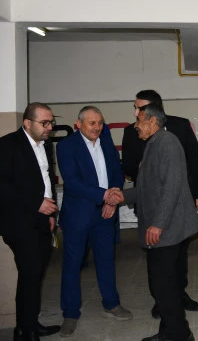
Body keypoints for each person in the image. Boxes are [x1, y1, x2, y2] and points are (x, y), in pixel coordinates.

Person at [107, 103, 198, 341]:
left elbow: (172, 186)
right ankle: (170, 331)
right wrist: (122, 196)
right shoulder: (154, 143)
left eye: (139, 120)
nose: (135, 126)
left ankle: (179, 334)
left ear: (152, 121)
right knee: (163, 284)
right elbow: (148, 187)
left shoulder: (166, 143)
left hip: (168, 228)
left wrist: (158, 224)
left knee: (164, 285)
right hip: (166, 226)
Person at [56, 106, 132, 337]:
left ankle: (111, 303)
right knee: (73, 265)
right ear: (79, 124)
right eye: (92, 123)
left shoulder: (106, 143)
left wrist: (112, 199)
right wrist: (104, 195)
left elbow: (117, 173)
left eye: (100, 122)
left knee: (106, 260)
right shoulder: (66, 146)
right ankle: (70, 313)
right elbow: (72, 182)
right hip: (78, 216)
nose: (97, 127)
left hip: (105, 214)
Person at [0, 103, 61, 340]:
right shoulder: (8, 145)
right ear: (27, 123)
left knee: (35, 275)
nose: (50, 127)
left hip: (42, 220)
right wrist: (37, 203)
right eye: (44, 123)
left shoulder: (46, 145)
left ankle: (29, 324)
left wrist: (50, 215)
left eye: (51, 122)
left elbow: (47, 181)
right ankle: (25, 331)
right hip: (19, 222)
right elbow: (3, 187)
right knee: (30, 273)